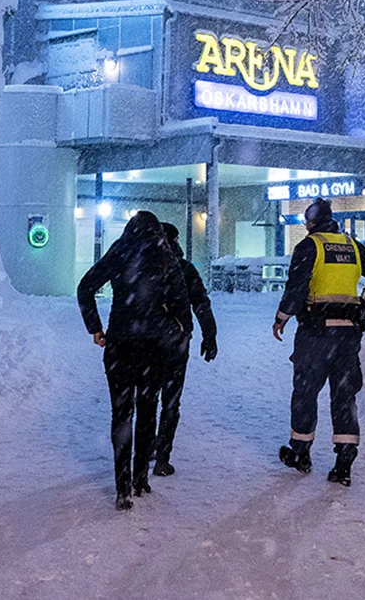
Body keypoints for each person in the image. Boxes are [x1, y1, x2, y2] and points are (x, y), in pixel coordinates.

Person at [271, 198, 365, 487]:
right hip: (347, 334)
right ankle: (344, 463)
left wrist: (282, 317)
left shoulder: (309, 246)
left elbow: (297, 287)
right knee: (344, 396)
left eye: (306, 221)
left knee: (305, 392)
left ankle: (300, 453)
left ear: (311, 222)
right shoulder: (352, 246)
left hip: (315, 333)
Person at [78, 210, 191, 510]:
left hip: (120, 346)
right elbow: (182, 303)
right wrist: (176, 333)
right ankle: (141, 478)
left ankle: (123, 486)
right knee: (148, 410)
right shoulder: (165, 255)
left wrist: (96, 328)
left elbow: (85, 287)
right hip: (154, 349)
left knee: (121, 414)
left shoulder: (120, 250)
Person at [154, 222, 218, 477]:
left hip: (145, 342)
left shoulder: (141, 267)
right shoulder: (185, 269)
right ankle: (162, 456)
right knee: (170, 400)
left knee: (146, 398)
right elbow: (201, 302)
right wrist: (209, 335)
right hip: (176, 341)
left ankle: (147, 448)